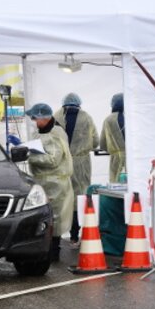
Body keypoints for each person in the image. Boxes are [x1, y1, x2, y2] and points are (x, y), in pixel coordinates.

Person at [25, 102, 74, 261]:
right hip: (42, 181)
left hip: (56, 184)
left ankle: (53, 252)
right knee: (43, 217)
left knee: (55, 218)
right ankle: (43, 249)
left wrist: (30, 156)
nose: (33, 121)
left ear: (44, 117)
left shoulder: (56, 133)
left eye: (35, 117)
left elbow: (53, 160)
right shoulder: (40, 132)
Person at [54, 92, 99, 247]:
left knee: (62, 197)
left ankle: (56, 237)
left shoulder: (56, 117)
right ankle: (75, 235)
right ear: (79, 103)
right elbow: (96, 142)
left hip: (61, 162)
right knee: (81, 198)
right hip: (81, 164)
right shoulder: (87, 118)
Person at [100, 92, 126, 183]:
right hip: (132, 159)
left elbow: (102, 144)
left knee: (116, 187)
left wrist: (114, 150)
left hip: (116, 160)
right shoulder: (132, 117)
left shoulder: (108, 120)